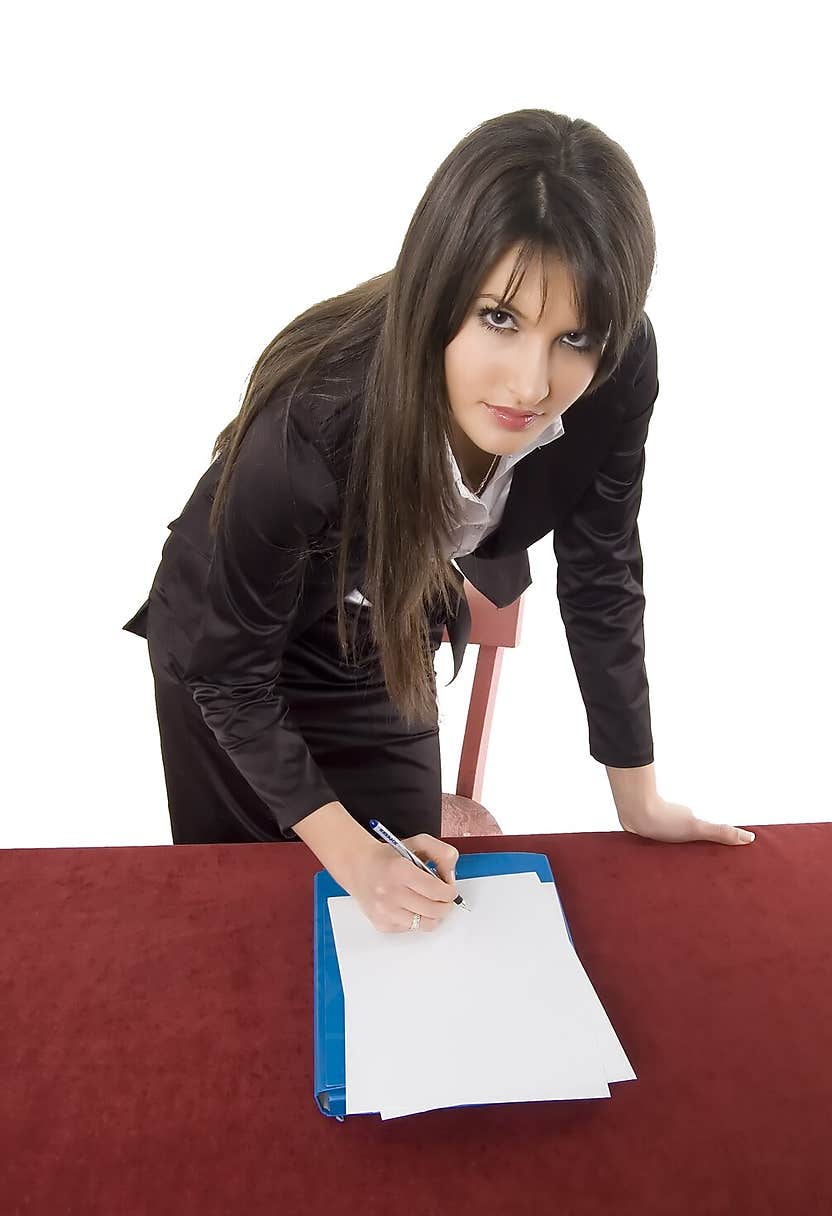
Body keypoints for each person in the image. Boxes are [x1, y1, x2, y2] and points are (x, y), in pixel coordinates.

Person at [123, 107, 756, 936]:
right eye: (500, 317)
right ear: (438, 286)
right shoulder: (313, 423)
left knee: (419, 905)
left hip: (385, 626)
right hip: (234, 649)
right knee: (249, 923)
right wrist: (352, 856)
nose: (532, 384)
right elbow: (230, 674)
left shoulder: (622, 365)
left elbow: (602, 567)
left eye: (575, 337)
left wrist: (637, 797)